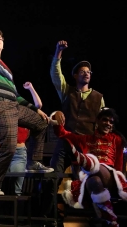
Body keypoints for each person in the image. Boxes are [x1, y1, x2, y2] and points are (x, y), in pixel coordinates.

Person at [0, 0, 50, 196]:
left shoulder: (6, 69)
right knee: (8, 146)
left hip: (13, 105)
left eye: (0, 37)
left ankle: (34, 162)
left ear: (4, 44)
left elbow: (15, 95)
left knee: (41, 124)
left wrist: (36, 110)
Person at [46, 40, 105, 220]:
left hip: (85, 145)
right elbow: (56, 75)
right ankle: (50, 217)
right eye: (82, 72)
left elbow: (103, 125)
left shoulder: (98, 97)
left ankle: (97, 218)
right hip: (66, 141)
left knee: (90, 181)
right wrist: (58, 53)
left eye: (88, 72)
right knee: (53, 176)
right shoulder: (67, 91)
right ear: (75, 75)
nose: (86, 74)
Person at [52, 108, 127, 227]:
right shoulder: (86, 139)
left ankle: (80, 158)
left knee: (99, 166)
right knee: (94, 180)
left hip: (110, 177)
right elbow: (62, 133)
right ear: (97, 121)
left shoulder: (116, 139)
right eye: (105, 120)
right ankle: (111, 220)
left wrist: (119, 184)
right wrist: (56, 115)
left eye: (111, 122)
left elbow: (119, 165)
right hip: (90, 180)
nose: (108, 123)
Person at [0, 82, 53, 196]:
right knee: (1, 185)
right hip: (5, 151)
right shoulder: (9, 114)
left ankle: (16, 210)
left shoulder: (27, 116)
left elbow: (38, 105)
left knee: (16, 186)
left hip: (19, 153)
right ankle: (4, 211)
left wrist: (31, 88)